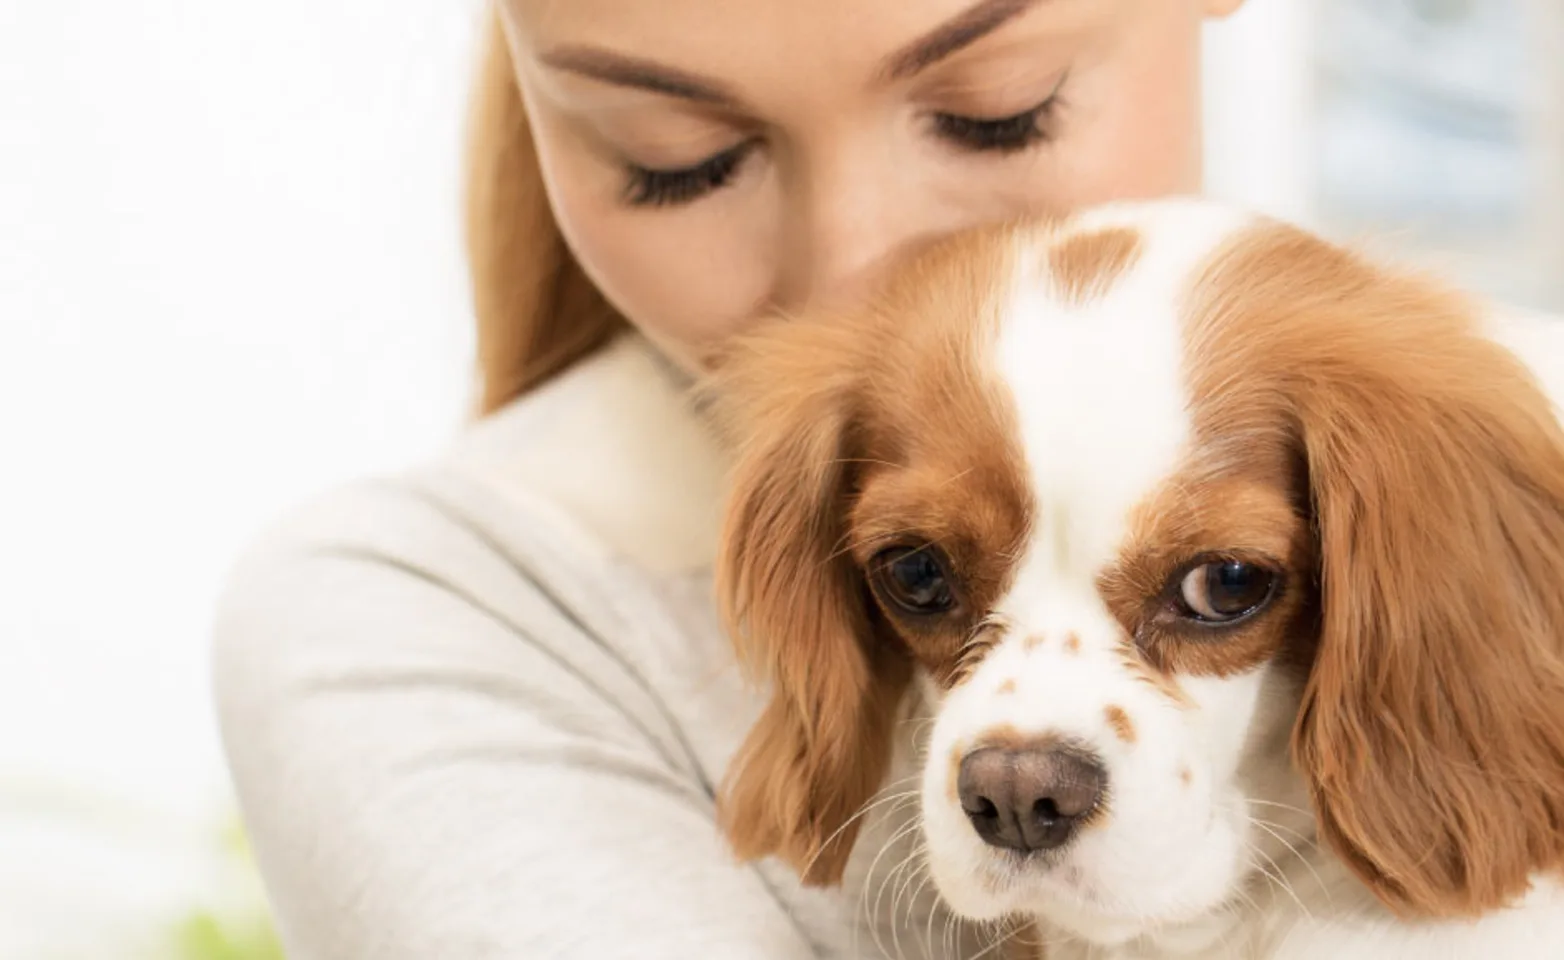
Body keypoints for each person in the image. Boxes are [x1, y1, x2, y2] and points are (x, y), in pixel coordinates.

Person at [211, 0, 1248, 956]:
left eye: (997, 115)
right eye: (680, 164)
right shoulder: (420, 620)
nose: (848, 279)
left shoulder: (1366, 431)